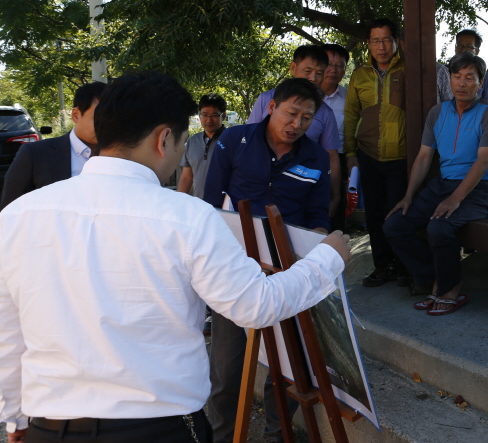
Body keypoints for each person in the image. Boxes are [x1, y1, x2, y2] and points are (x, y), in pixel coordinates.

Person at [0, 71, 351, 443]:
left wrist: (14, 416)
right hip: (157, 428)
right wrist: (327, 258)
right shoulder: (188, 218)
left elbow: (8, 331)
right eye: (184, 143)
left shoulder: (19, 215)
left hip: (50, 428)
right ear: (164, 138)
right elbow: (255, 305)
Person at [202, 77, 333, 443]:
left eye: (307, 118)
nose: (297, 124)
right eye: (292, 113)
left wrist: (320, 240)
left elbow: (319, 212)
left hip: (288, 273)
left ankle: (278, 437)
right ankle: (223, 437)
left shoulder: (316, 157)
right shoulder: (233, 141)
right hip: (235, 271)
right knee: (228, 372)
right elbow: (210, 204)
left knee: (285, 370)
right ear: (272, 107)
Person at [384, 52, 488, 314]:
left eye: (469, 78)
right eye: (456, 76)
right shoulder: (438, 112)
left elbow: (483, 162)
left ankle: (450, 288)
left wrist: (455, 198)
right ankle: (435, 278)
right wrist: (408, 196)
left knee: (438, 228)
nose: (461, 83)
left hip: (480, 189)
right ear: (449, 79)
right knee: (395, 225)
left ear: (480, 83)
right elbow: (424, 156)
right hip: (443, 183)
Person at [343, 18, 410, 288]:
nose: (380, 46)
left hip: (402, 155)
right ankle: (382, 266)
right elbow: (350, 115)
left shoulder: (408, 70)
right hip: (368, 154)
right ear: (368, 44)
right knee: (374, 214)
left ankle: (405, 267)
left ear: (395, 42)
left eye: (386, 40)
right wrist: (350, 153)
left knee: (399, 214)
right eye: (375, 40)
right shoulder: (360, 75)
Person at [247, 43, 342, 213]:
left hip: (300, 188)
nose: (313, 78)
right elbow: (249, 140)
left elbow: (331, 157)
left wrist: (335, 197)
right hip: (258, 184)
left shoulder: (325, 113)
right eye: (308, 71)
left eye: (319, 73)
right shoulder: (266, 98)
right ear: (293, 68)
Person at [0, 81, 105, 210]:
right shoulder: (35, 154)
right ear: (76, 115)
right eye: (101, 119)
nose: (109, 126)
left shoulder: (126, 155)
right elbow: (10, 210)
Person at [321, 43, 350, 231]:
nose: (333, 70)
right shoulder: (306, 96)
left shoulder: (350, 98)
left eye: (339, 65)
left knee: (335, 214)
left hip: (338, 161)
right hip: (308, 158)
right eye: (329, 64)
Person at [177, 93, 227, 199]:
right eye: (204, 115)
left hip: (226, 207)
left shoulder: (232, 140)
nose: (209, 120)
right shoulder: (192, 142)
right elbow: (186, 177)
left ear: (223, 115)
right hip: (199, 204)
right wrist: (179, 201)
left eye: (214, 115)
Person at [436, 29, 488, 105]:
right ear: (455, 47)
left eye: (469, 46)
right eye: (460, 45)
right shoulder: (442, 72)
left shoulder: (484, 76)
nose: (463, 49)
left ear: (477, 51)